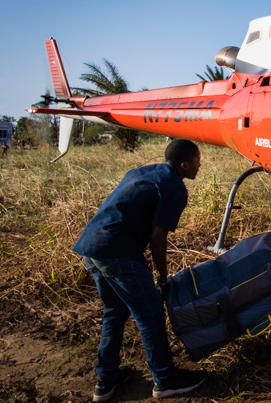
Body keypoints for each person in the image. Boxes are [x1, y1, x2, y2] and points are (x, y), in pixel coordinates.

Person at [72, 139, 206, 401]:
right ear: (184, 164)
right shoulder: (175, 188)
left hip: (91, 245)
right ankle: (165, 379)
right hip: (118, 252)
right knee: (151, 313)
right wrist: (163, 277)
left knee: (115, 310)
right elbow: (158, 236)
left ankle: (106, 380)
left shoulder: (141, 172)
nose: (200, 164)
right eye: (197, 160)